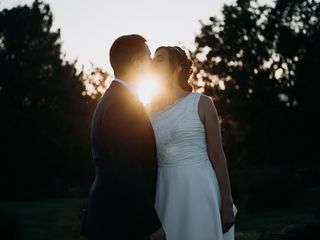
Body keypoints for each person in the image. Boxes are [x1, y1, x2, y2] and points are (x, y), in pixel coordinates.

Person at [147, 46, 238, 240]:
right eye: (153, 59)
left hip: (199, 186)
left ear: (178, 67)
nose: (153, 63)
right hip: (165, 189)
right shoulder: (148, 109)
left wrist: (227, 201)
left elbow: (217, 154)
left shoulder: (202, 103)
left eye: (160, 59)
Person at [81, 34, 166, 240]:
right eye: (148, 57)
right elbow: (128, 169)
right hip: (117, 219)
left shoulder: (116, 97)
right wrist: (152, 225)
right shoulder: (121, 105)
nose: (153, 61)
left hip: (112, 213)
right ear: (137, 64)